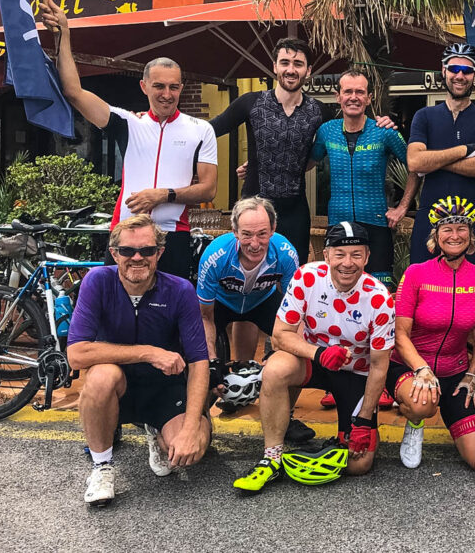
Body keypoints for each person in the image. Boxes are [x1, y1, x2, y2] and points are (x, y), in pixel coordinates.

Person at [42, 0, 217, 281]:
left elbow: (208, 189)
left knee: (168, 319)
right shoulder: (129, 123)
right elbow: (74, 92)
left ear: (182, 87)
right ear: (144, 86)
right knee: (116, 316)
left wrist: (164, 195)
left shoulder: (200, 129)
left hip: (173, 235)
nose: (167, 94)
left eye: (174, 87)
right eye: (159, 86)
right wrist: (63, 33)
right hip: (126, 231)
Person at [232, 222, 395, 492]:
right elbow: (281, 334)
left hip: (356, 373)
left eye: (356, 255)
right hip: (314, 361)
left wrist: (365, 420)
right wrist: (319, 353)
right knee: (274, 369)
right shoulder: (306, 277)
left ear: (367, 257)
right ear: (327, 255)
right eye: (340, 255)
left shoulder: (380, 299)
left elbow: (379, 366)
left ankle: (338, 440)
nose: (348, 263)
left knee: (359, 465)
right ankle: (271, 459)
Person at [67, 215, 212, 507]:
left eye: (147, 251)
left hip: (163, 387)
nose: (137, 258)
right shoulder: (97, 281)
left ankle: (157, 428)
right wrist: (148, 352)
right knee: (99, 377)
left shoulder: (180, 289)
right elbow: (76, 354)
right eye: (127, 251)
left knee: (192, 451)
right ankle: (101, 467)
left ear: (159, 253)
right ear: (113, 253)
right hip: (117, 387)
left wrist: (189, 429)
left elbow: (199, 362)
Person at [215, 42, 400, 262]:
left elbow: (349, 130)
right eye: (285, 63)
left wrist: (381, 122)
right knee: (249, 269)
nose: (291, 70)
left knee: (295, 274)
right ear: (275, 66)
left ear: (308, 70)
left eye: (298, 64)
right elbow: (209, 130)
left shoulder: (319, 111)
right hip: (254, 207)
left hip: (295, 211)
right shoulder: (251, 103)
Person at [388, 196, 475, 469]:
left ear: (471, 236)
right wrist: (422, 370)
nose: (455, 235)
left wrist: (473, 372)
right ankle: (415, 423)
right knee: (423, 402)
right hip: (410, 368)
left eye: (462, 229)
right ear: (436, 236)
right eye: (447, 229)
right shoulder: (416, 273)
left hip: (454, 372)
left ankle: (450, 409)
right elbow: (400, 334)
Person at [195, 197, 307, 437]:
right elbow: (204, 317)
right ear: (234, 231)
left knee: (297, 350)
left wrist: (282, 353)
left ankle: (285, 416)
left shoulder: (286, 253)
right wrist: (213, 361)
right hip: (222, 304)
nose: (255, 244)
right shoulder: (215, 255)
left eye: (262, 234)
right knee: (203, 361)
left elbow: (296, 314)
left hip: (262, 300)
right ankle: (198, 418)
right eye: (246, 235)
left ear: (274, 229)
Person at [311, 70, 419, 288]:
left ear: (369, 98)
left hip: (376, 223)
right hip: (338, 222)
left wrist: (402, 207)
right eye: (348, 91)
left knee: (379, 291)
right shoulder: (326, 131)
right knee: (337, 289)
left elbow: (416, 167)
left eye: (360, 92)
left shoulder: (384, 131)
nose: (353, 97)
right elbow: (307, 163)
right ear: (338, 96)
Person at [407, 44, 475, 269]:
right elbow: (414, 162)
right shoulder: (424, 116)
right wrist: (465, 150)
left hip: (473, 220)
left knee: (474, 294)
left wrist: (434, 161)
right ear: (444, 71)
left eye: (467, 71)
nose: (460, 75)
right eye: (454, 69)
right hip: (429, 219)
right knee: (425, 292)